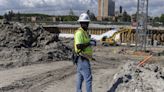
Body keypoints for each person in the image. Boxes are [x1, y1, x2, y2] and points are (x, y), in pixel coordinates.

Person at [74, 13, 96, 92]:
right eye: (86, 23)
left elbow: (85, 43)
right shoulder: (79, 33)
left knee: (80, 78)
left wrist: (90, 41)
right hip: (82, 58)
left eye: (88, 23)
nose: (87, 24)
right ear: (82, 23)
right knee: (88, 79)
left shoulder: (84, 32)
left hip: (83, 58)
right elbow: (79, 46)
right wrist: (89, 43)